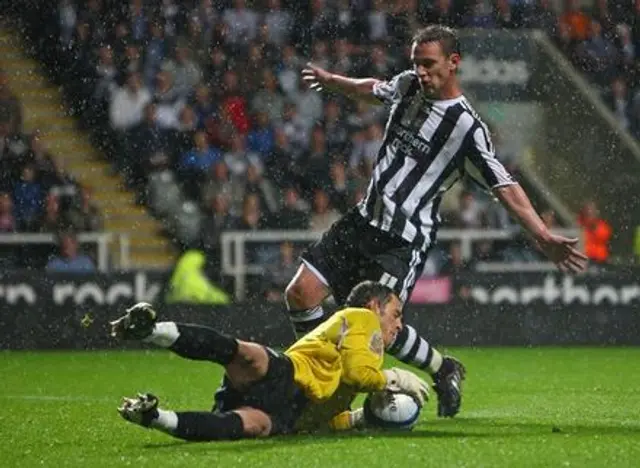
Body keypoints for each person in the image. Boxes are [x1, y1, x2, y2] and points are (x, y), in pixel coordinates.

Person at [287, 24, 588, 418]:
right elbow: (372, 88)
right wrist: (332, 81)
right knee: (300, 293)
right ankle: (321, 375)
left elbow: (505, 184)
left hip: (402, 240)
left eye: (429, 64)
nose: (421, 72)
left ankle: (348, 397)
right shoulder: (409, 85)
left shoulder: (466, 128)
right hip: (362, 221)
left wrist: (541, 233)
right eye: (416, 63)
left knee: (377, 331)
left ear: (453, 63)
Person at [111, 281, 430, 440]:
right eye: (396, 314)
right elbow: (358, 373)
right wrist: (393, 378)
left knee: (243, 419)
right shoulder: (362, 318)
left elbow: (327, 415)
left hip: (292, 412)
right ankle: (150, 329)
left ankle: (154, 417)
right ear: (374, 305)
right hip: (290, 378)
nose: (399, 324)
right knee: (247, 356)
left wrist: (360, 419)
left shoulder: (364, 354)